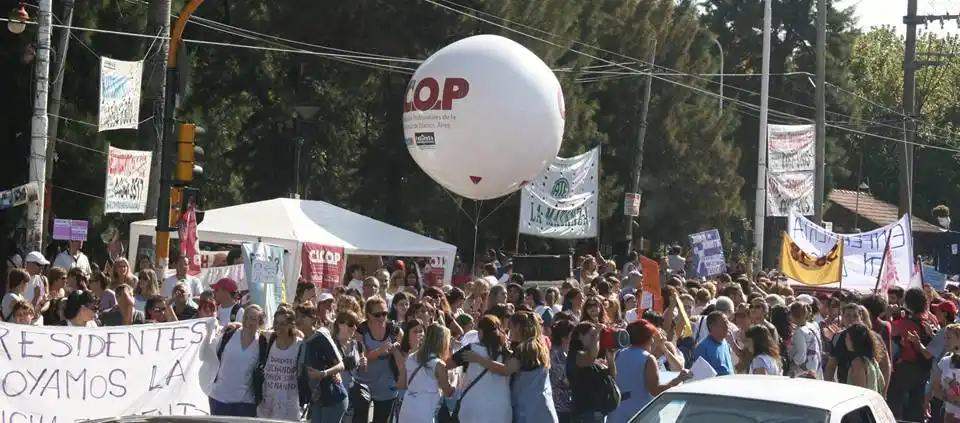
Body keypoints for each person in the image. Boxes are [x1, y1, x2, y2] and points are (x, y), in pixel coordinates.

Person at [607, 319, 691, 423]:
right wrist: (678, 379)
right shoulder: (648, 359)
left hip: (617, 415)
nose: (652, 341)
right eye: (652, 337)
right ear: (647, 338)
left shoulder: (619, 354)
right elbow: (655, 390)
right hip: (640, 415)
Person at [206, 304, 265, 416]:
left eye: (253, 319)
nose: (248, 322)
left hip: (245, 403)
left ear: (260, 323)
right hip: (219, 399)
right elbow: (209, 348)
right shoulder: (228, 334)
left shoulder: (262, 342)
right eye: (245, 317)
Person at [454, 315, 512, 423]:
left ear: (481, 332)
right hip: (501, 409)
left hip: (473, 408)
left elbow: (447, 364)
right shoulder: (507, 353)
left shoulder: (471, 350)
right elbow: (508, 370)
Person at [396, 323, 456, 423]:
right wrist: (455, 378)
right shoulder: (438, 364)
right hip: (424, 412)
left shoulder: (411, 357)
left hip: (406, 408)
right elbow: (448, 393)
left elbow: (401, 385)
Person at [257, 307, 305, 421]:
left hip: (291, 406)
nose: (278, 327)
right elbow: (252, 328)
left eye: (283, 323)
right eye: (276, 323)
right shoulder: (269, 339)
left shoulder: (300, 345)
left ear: (291, 325)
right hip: (267, 405)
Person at [692, 311, 735, 376]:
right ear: (712, 326)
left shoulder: (725, 342)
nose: (727, 326)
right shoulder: (702, 347)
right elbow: (700, 375)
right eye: (724, 322)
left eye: (727, 322)